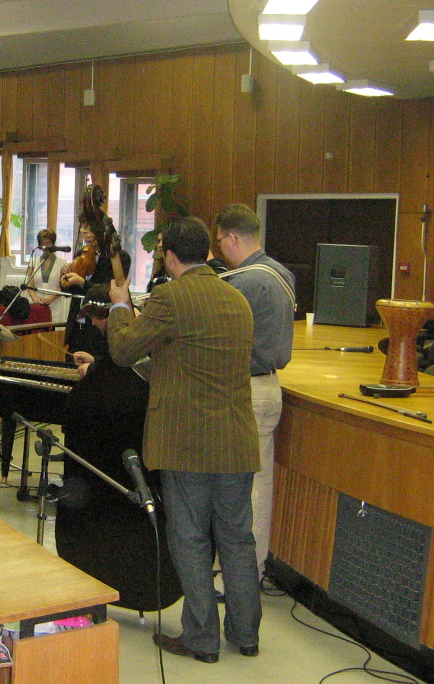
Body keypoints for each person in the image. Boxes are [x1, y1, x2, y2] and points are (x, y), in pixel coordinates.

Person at [107, 216, 260, 663]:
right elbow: (193, 359)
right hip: (236, 440)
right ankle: (246, 636)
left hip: (187, 443)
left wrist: (119, 307)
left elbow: (123, 350)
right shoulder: (237, 298)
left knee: (190, 539)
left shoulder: (170, 297)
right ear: (206, 252)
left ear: (170, 256)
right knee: (237, 539)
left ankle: (201, 639)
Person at [55, 285, 183, 612]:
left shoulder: (133, 334)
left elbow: (132, 369)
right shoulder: (130, 335)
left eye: (98, 319)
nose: (95, 326)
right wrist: (96, 365)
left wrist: (92, 373)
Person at [214, 203, 296, 581]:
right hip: (269, 385)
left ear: (232, 238)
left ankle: (236, 576)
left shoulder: (242, 283)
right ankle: (249, 573)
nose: (218, 250)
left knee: (238, 492)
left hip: (242, 390)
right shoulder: (282, 273)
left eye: (219, 242)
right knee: (256, 489)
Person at [62, 221, 131, 356]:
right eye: (84, 230)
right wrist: (66, 280)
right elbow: (69, 293)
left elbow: (108, 291)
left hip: (99, 329)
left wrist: (82, 282)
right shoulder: (81, 254)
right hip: (77, 326)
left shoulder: (120, 257)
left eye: (92, 231)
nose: (88, 235)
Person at [25, 228, 69, 324]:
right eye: (43, 243)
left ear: (53, 243)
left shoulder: (62, 263)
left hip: (54, 305)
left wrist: (50, 299)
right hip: (37, 305)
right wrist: (35, 298)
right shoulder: (33, 262)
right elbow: (29, 284)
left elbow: (62, 286)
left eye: (48, 243)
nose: (45, 246)